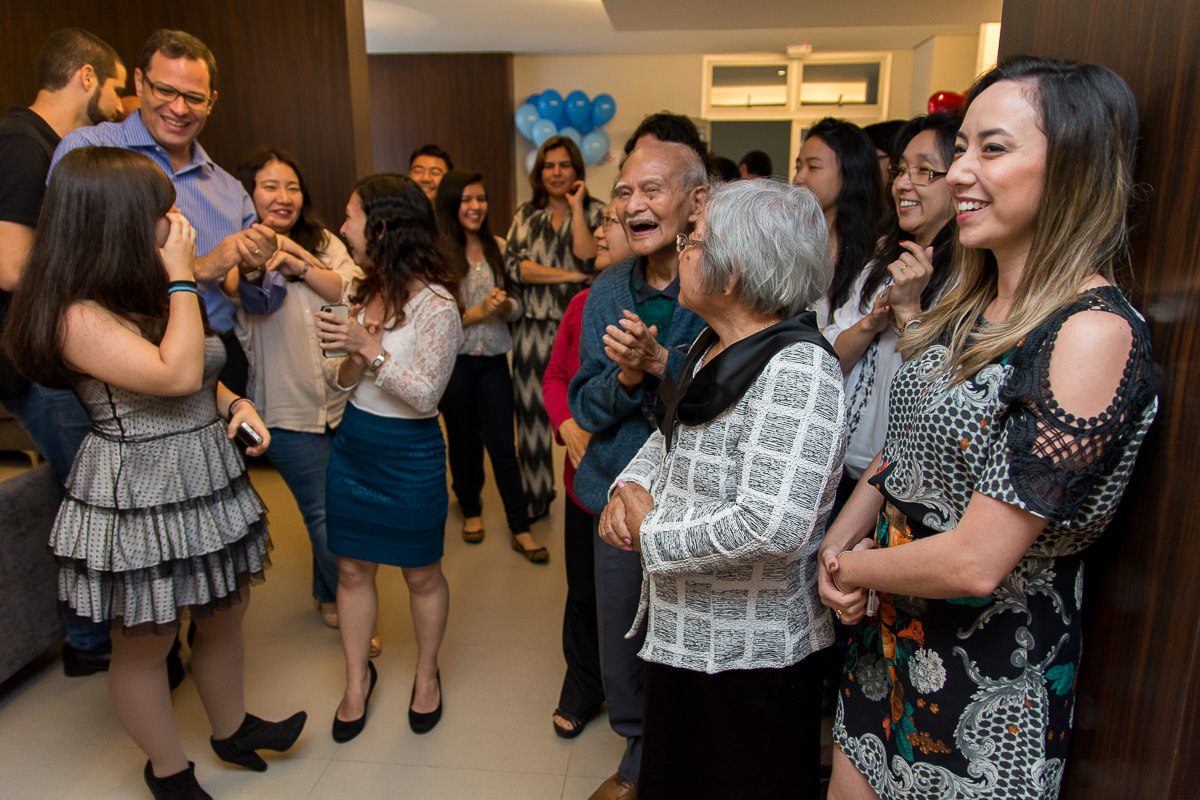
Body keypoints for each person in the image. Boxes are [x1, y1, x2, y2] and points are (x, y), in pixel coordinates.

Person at [820, 57, 1157, 800]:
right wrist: (840, 541)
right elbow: (902, 454)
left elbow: (977, 561)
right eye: (962, 148)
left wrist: (850, 569)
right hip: (890, 636)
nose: (962, 172)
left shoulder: (1091, 331)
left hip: (992, 667)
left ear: (1073, 164)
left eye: (992, 149)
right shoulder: (961, 306)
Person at [3, 146, 307, 800]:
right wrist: (181, 275)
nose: (174, 218)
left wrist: (235, 401)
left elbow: (199, 372)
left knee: (226, 605)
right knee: (146, 636)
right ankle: (167, 769)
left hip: (201, 470)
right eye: (158, 207)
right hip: (137, 485)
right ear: (111, 221)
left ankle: (231, 728)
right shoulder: (76, 314)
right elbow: (169, 373)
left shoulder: (142, 287)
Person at [598, 178, 846, 798]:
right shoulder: (714, 343)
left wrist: (646, 527)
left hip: (750, 654)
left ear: (731, 271)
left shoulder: (800, 369)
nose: (681, 249)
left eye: (694, 240)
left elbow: (772, 524)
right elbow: (669, 435)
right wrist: (625, 488)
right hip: (681, 630)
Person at [568, 141, 708, 800]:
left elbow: (731, 389)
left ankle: (680, 753)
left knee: (684, 635)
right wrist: (624, 376)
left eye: (651, 189)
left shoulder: (720, 283)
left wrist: (659, 365)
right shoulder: (605, 289)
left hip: (696, 501)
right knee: (619, 630)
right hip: (616, 494)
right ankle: (635, 751)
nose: (633, 205)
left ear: (695, 202)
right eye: (623, 192)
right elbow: (585, 405)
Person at [51, 29, 297, 398]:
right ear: (139, 81)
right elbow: (70, 262)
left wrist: (254, 268)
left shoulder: (229, 189)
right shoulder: (90, 149)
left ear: (212, 101)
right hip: (119, 357)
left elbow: (264, 301)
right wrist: (199, 267)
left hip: (217, 354)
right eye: (165, 91)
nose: (179, 109)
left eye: (194, 98)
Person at [316, 173, 463, 743]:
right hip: (356, 445)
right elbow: (338, 378)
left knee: (421, 574)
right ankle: (357, 681)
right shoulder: (359, 289)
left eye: (350, 216)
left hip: (410, 453)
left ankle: (427, 674)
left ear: (380, 227)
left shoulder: (437, 304)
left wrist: (368, 348)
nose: (342, 227)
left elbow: (426, 393)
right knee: (351, 568)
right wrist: (354, 354)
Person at [235, 147, 363, 628]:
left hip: (341, 402)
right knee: (324, 512)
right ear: (249, 193)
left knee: (339, 504)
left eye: (292, 186)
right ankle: (349, 607)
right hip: (285, 412)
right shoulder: (241, 253)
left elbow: (348, 292)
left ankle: (326, 594)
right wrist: (268, 261)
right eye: (270, 186)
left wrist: (301, 263)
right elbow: (246, 303)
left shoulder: (324, 241)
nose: (284, 196)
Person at [821, 112, 961, 506]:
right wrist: (869, 324)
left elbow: (941, 397)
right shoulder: (883, 257)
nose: (902, 184)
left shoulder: (967, 280)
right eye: (900, 170)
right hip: (843, 467)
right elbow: (827, 357)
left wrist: (908, 312)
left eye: (924, 172)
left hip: (909, 482)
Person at [544, 201, 634, 739]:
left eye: (612, 226)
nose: (601, 232)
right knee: (582, 590)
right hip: (582, 479)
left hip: (636, 482)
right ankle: (582, 683)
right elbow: (556, 374)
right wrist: (567, 425)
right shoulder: (581, 302)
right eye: (601, 222)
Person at [434, 168, 546, 559]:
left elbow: (518, 304)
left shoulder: (499, 246)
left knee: (503, 445)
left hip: (496, 362)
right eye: (467, 199)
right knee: (463, 443)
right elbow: (436, 317)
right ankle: (471, 509)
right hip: (456, 365)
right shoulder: (437, 251)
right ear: (452, 203)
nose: (476, 206)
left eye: (480, 199)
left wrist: (505, 306)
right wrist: (479, 312)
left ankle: (520, 526)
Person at [506, 135, 604, 521]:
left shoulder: (595, 211)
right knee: (530, 416)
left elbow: (588, 255)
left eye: (564, 165)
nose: (556, 173)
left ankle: (586, 490)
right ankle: (536, 495)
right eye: (549, 165)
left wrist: (577, 207)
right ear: (539, 171)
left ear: (577, 170)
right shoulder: (525, 215)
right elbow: (518, 268)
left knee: (578, 415)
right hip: (532, 329)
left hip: (578, 331)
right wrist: (571, 276)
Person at [792, 117, 888, 330]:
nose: (799, 177)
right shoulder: (793, 242)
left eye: (813, 167)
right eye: (798, 166)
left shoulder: (877, 253)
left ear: (849, 173)